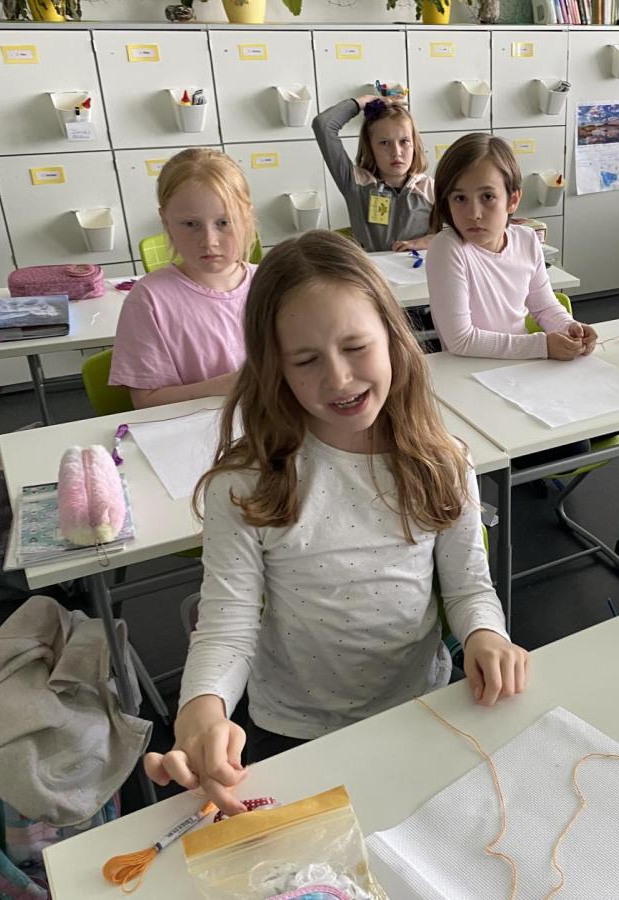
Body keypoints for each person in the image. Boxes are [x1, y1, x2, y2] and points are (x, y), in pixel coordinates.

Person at [144, 231, 528, 814]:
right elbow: (228, 622)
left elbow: (468, 586)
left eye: (356, 347)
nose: (339, 379)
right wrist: (202, 708)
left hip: (421, 709)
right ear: (275, 368)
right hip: (291, 731)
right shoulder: (245, 485)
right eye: (306, 361)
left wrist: (486, 634)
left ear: (393, 338)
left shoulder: (444, 462)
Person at [427, 132, 596, 359]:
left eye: (487, 197)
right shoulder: (447, 249)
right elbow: (460, 340)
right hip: (468, 369)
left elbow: (544, 307)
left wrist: (570, 328)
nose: (474, 213)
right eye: (460, 198)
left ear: (513, 200)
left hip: (518, 366)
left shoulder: (527, 240)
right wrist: (542, 346)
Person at [110, 148, 257, 409]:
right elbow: (145, 401)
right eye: (190, 224)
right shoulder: (150, 299)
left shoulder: (272, 283)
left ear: (246, 218)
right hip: (198, 428)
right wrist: (218, 388)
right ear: (166, 221)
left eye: (224, 223)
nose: (209, 241)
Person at [312, 95, 434, 252]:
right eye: (384, 143)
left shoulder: (431, 189)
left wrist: (422, 242)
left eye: (404, 141)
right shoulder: (355, 183)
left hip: (418, 267)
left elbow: (455, 233)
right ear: (370, 148)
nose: (396, 152)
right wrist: (364, 101)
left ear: (414, 145)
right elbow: (323, 125)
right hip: (370, 268)